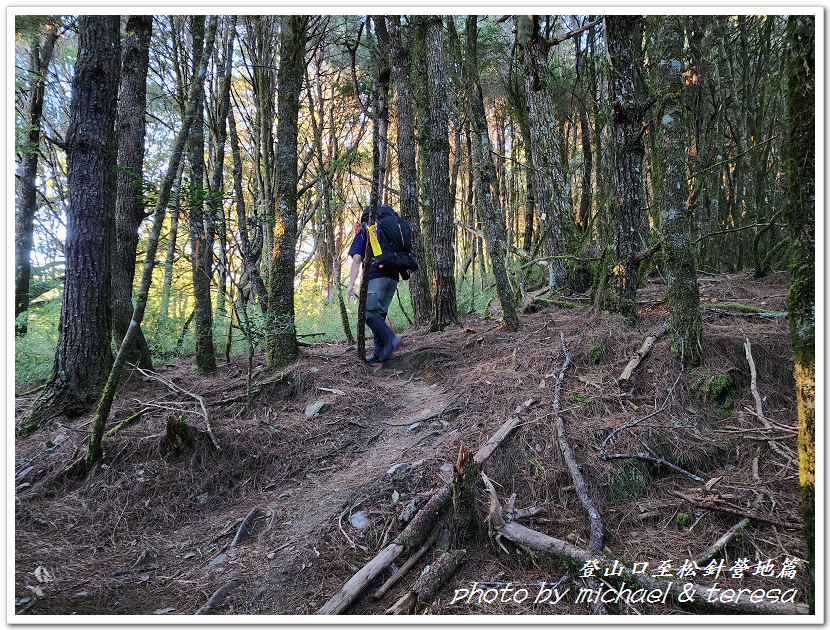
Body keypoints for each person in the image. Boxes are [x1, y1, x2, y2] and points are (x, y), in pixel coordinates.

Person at [347, 205, 402, 362]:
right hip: (393, 277)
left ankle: (391, 340)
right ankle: (379, 355)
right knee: (379, 315)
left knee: (368, 314)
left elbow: (357, 260)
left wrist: (350, 286)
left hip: (376, 276)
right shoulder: (386, 232)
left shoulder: (364, 232)